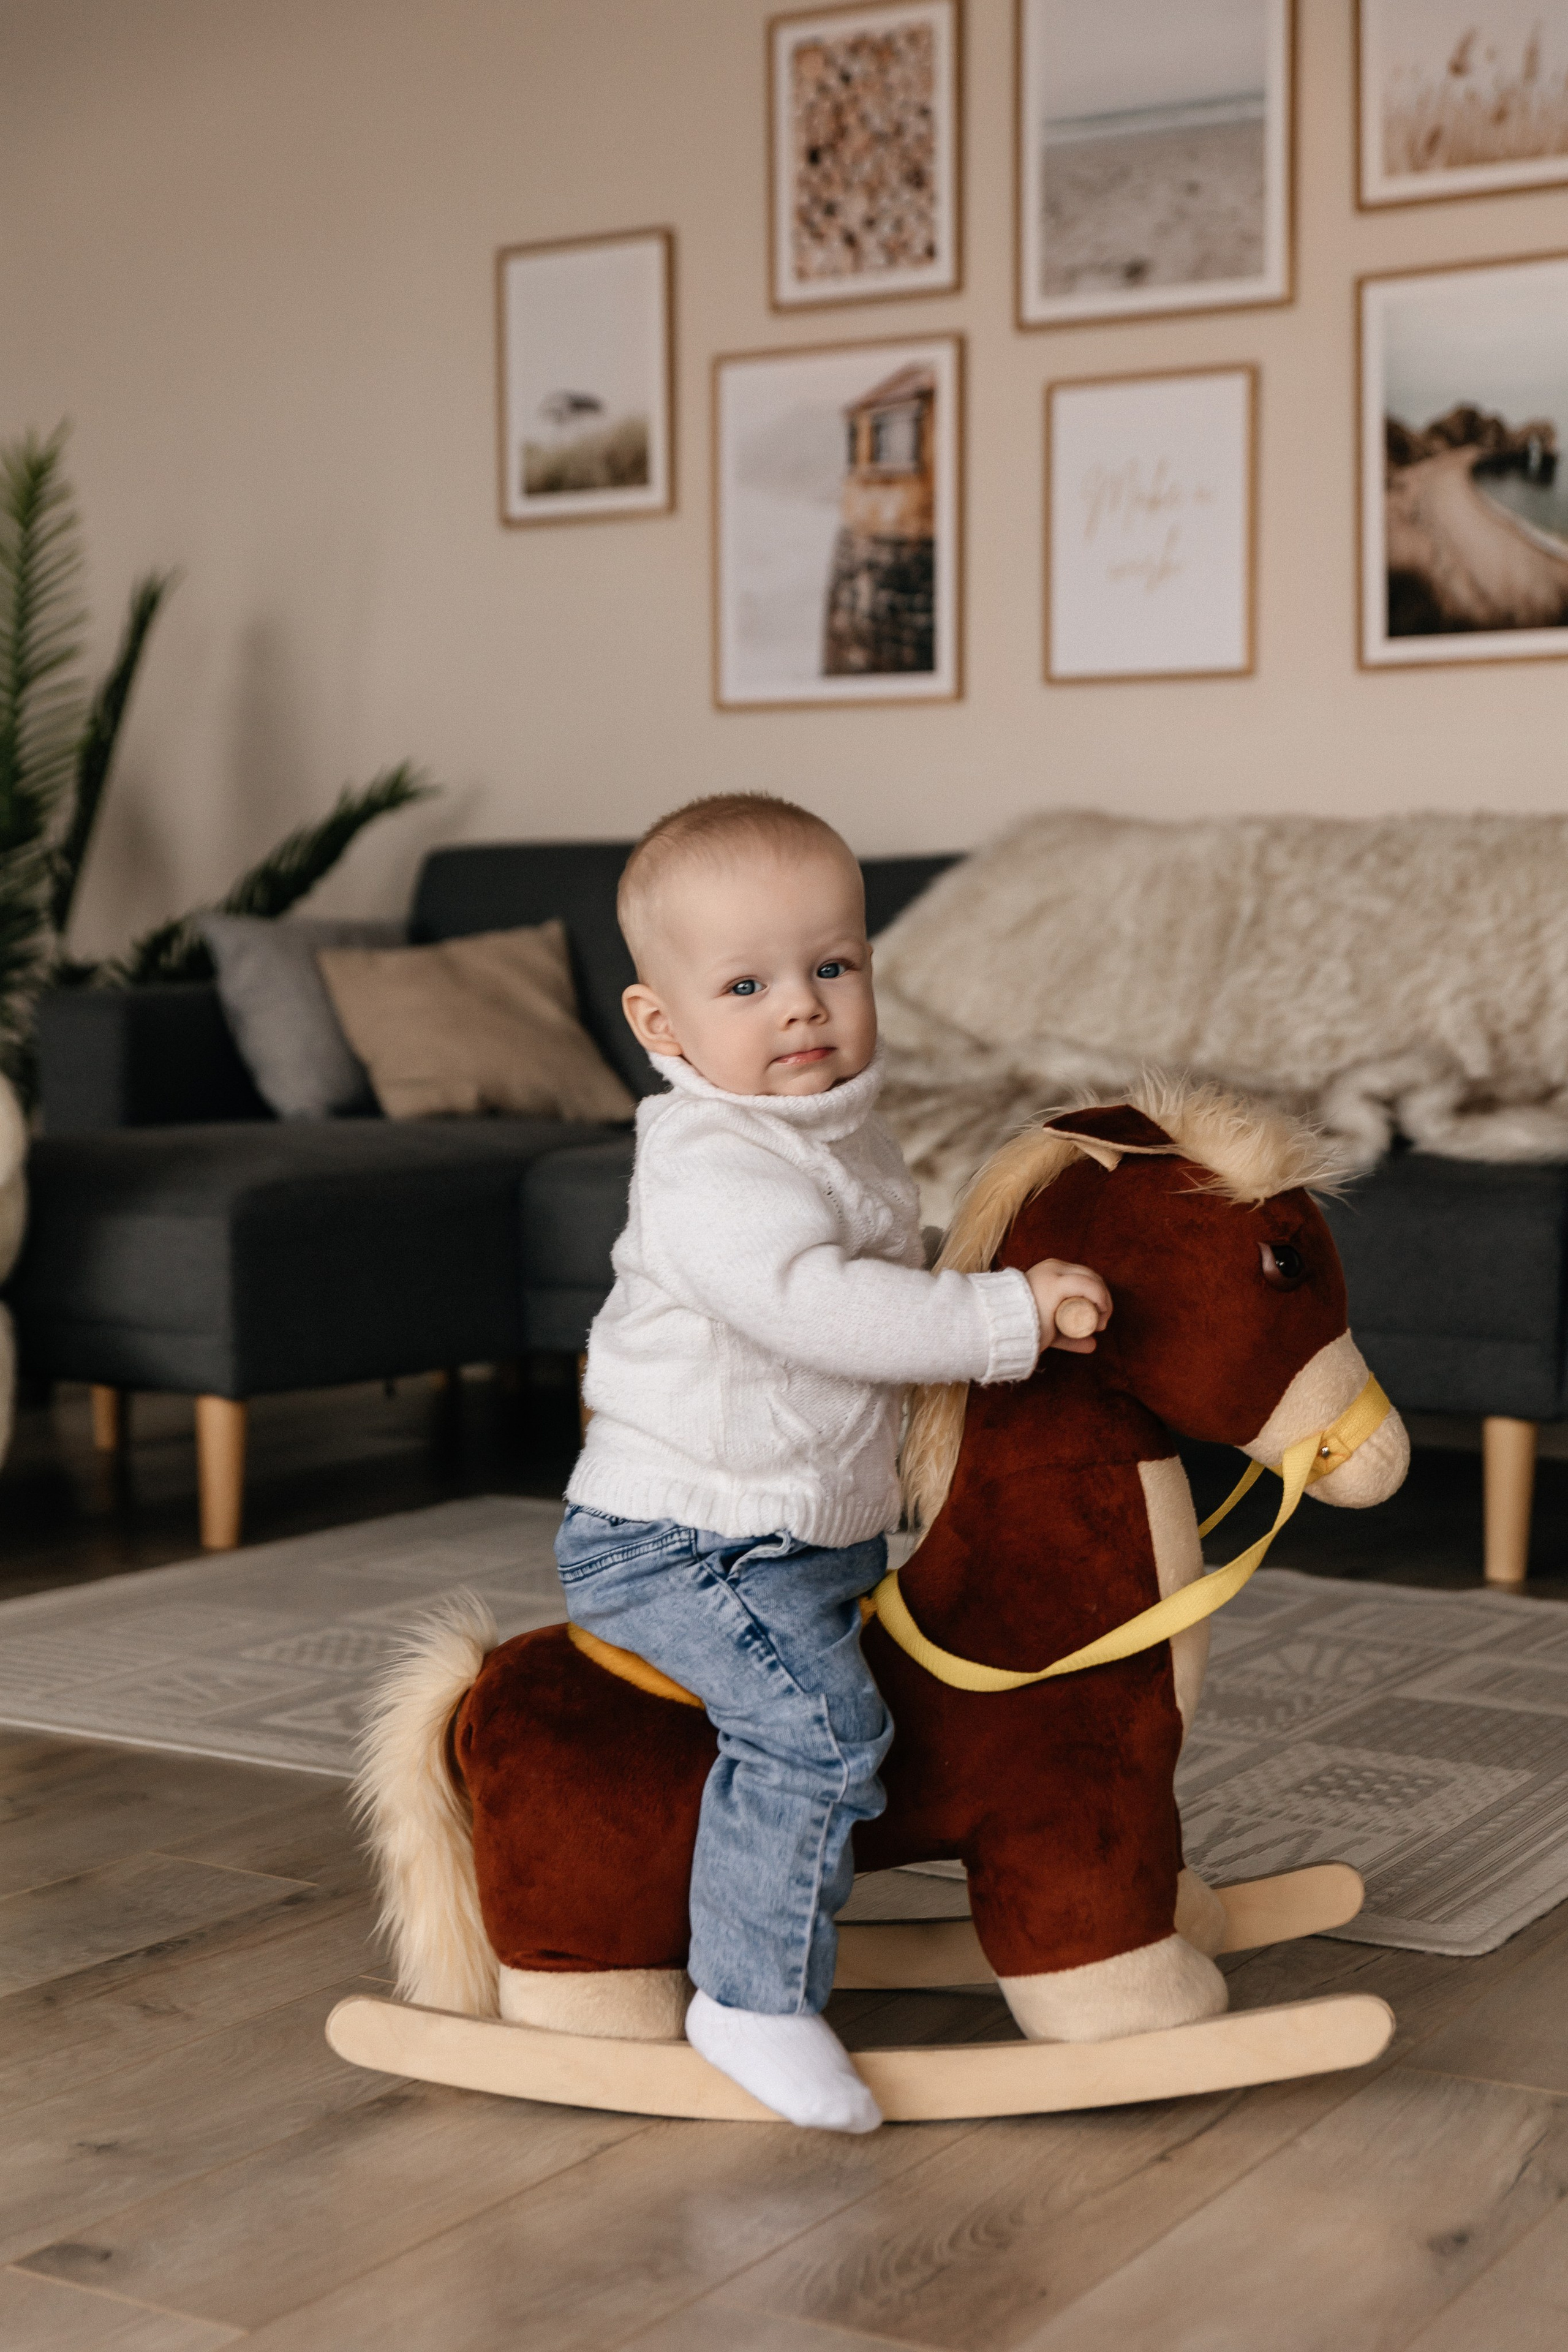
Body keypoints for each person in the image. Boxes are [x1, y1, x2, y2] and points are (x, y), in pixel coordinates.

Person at [557, 793, 1110, 2130]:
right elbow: (818, 1306)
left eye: (832, 967)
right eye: (744, 984)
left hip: (792, 1526)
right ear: (661, 1026)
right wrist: (999, 1320)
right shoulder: (710, 1164)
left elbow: (885, 1270)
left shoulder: (829, 1123)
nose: (800, 1007)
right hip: (682, 1540)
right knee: (822, 1732)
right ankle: (748, 2001)